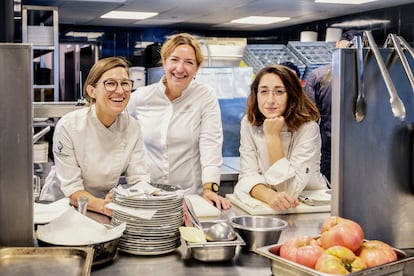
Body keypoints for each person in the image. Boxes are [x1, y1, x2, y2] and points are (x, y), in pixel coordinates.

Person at [127, 33, 231, 210]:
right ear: (164, 61)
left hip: (190, 198)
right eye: (174, 60)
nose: (180, 69)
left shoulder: (205, 95)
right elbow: (119, 132)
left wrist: (210, 188)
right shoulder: (141, 97)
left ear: (197, 68)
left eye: (189, 62)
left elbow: (210, 143)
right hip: (148, 196)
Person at [39, 56, 150, 217]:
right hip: (61, 208)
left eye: (125, 83)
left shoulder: (132, 126)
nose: (120, 91)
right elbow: (72, 189)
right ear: (92, 91)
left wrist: (139, 197)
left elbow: (139, 177)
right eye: (110, 83)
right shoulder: (69, 125)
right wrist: (104, 206)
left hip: (101, 207)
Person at [234, 64, 329, 211]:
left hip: (308, 207)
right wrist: (269, 195)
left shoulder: (308, 128)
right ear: (256, 94)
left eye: (279, 92)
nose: (270, 100)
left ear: (292, 95)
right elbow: (247, 176)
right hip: (267, 205)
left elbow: (290, 190)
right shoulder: (248, 123)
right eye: (264, 91)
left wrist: (273, 137)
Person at [305, 29, 363, 182]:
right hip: (351, 148)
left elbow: (309, 118)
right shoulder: (372, 78)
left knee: (332, 192)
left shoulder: (317, 75)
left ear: (337, 45)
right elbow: (309, 120)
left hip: (333, 148)